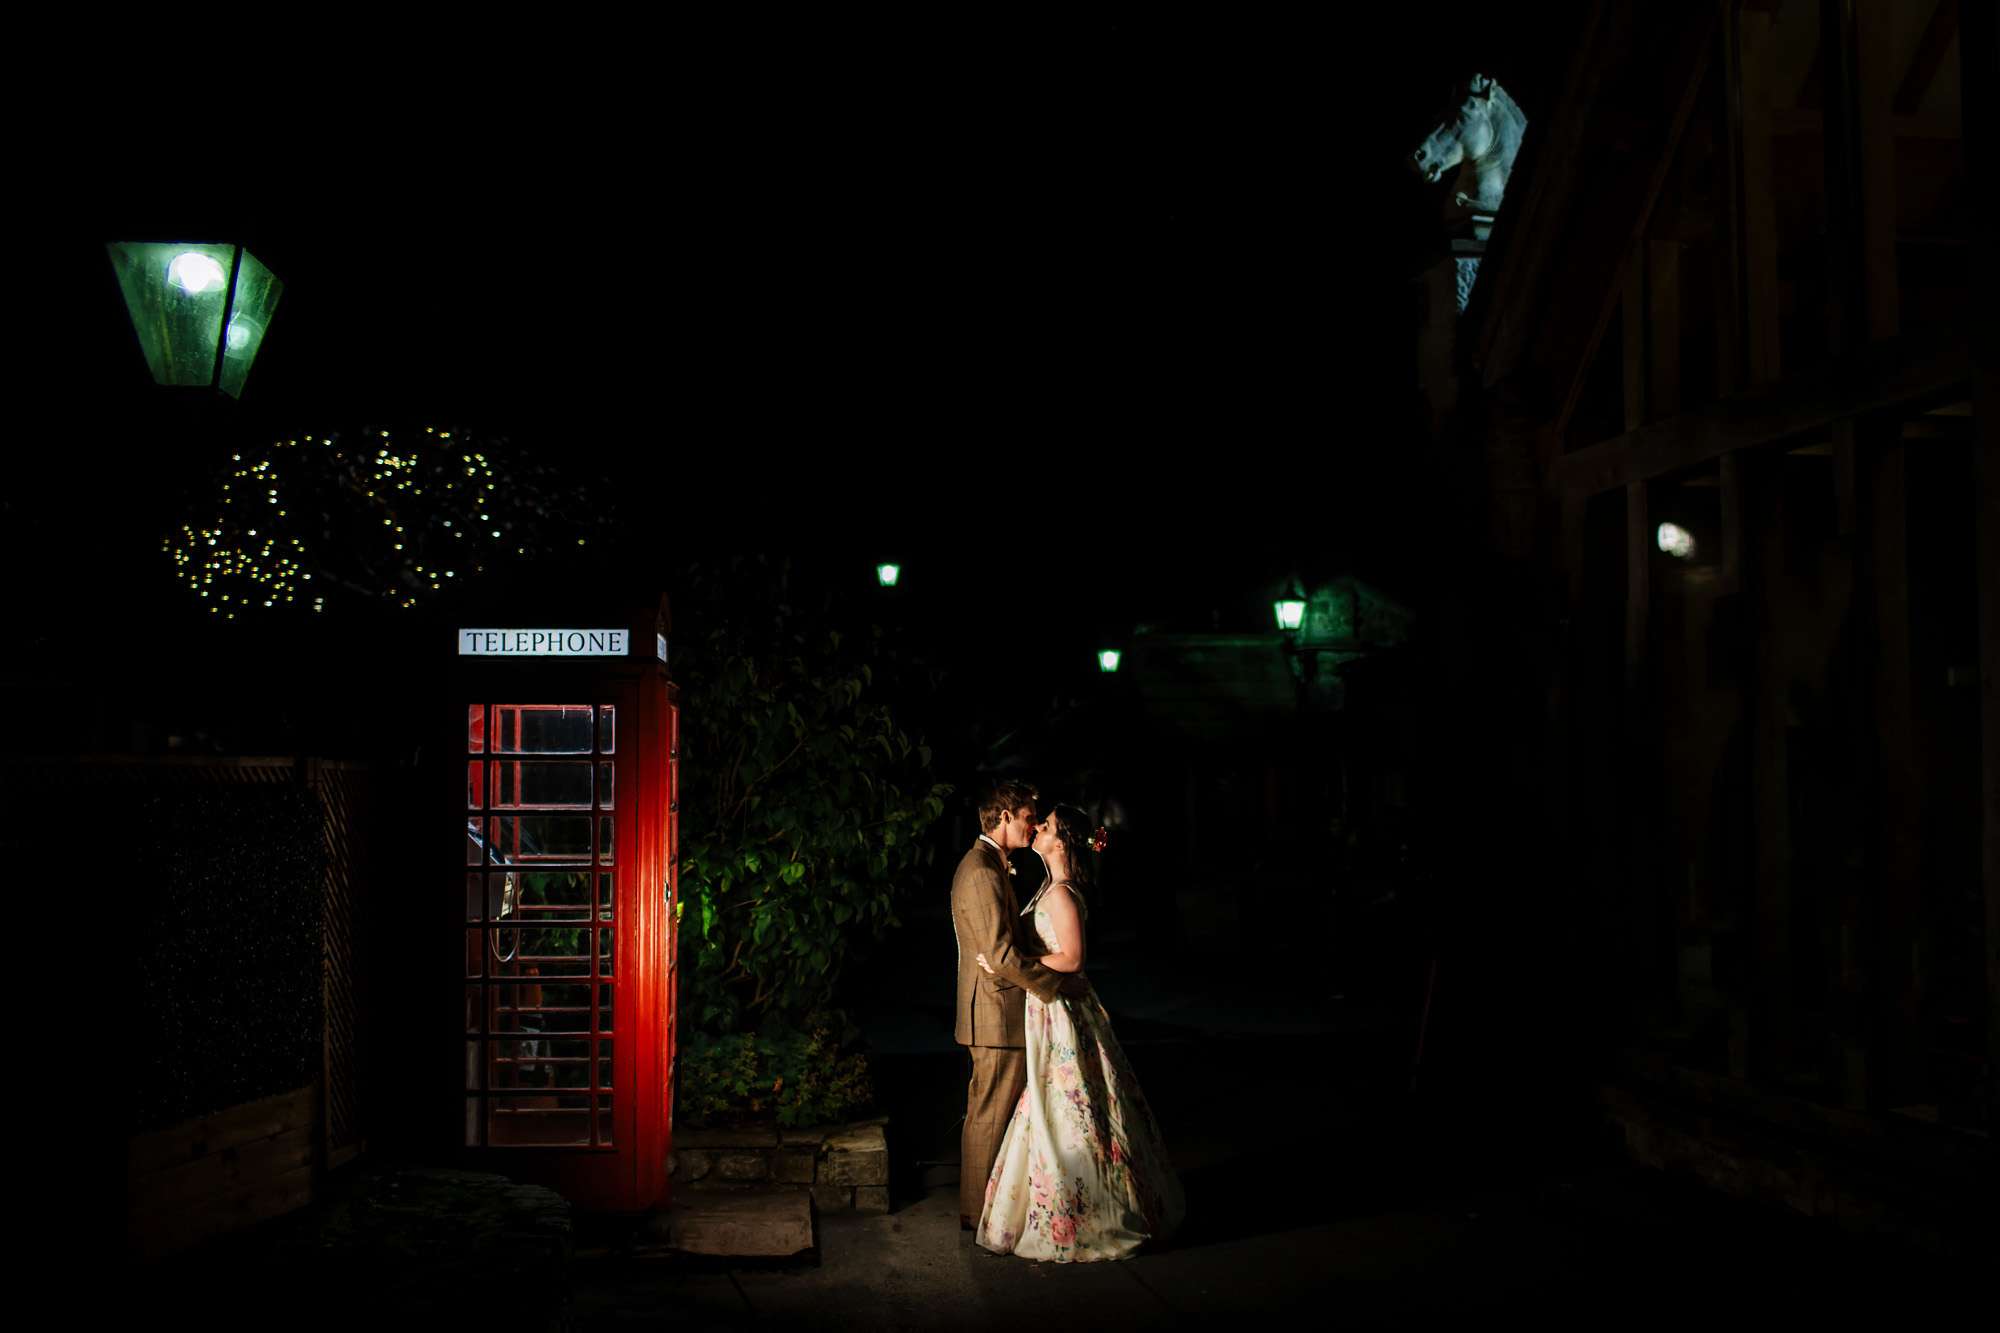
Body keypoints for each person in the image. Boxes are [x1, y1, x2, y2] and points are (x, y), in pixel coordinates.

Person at [973, 802, 1185, 1261]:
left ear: (1062, 840)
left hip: (1065, 1010)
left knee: (1075, 1103)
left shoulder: (1062, 894)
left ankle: (1093, 1210)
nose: (1037, 828)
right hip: (1048, 1006)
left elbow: (1072, 960)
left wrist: (1013, 966)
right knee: (1051, 1103)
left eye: (1045, 825)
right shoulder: (1049, 887)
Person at [950, 781, 1088, 1231]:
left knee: (996, 1116)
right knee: (989, 1117)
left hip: (1001, 1009)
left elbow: (1003, 955)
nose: (1033, 825)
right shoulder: (980, 871)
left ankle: (991, 1209)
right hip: (993, 1015)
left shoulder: (993, 864)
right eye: (1030, 816)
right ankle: (978, 1214)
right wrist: (1056, 983)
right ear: (1005, 816)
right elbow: (1001, 956)